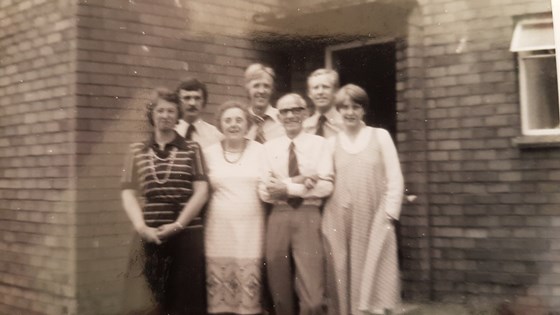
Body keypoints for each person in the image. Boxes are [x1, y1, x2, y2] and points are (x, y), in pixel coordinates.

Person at [121, 88, 209, 315]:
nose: (165, 115)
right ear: (152, 114)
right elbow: (128, 192)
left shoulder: (192, 148)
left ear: (177, 115)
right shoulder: (136, 150)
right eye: (160, 110)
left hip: (187, 234)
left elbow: (201, 191)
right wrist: (141, 227)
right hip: (149, 235)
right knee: (151, 302)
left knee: (186, 301)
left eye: (171, 111)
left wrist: (178, 225)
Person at [322, 84, 404, 315]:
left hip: (374, 216)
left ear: (363, 110)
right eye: (344, 107)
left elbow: (395, 178)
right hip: (340, 219)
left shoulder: (380, 136)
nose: (349, 112)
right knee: (343, 272)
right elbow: (324, 180)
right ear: (338, 110)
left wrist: (389, 214)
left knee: (375, 274)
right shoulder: (331, 144)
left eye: (355, 107)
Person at [259, 93, 334, 315]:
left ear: (305, 113)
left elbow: (326, 186)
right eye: (284, 111)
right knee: (279, 289)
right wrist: (301, 180)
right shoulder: (268, 148)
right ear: (279, 117)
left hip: (308, 214)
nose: (290, 115)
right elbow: (264, 192)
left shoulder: (320, 144)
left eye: (296, 110)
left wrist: (286, 188)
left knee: (312, 295)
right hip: (278, 216)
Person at [203, 101, 267, 314]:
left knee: (249, 295)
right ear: (220, 125)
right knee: (221, 296)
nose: (233, 124)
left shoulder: (261, 151)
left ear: (247, 124)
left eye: (239, 120)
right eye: (228, 120)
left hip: (251, 229)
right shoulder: (208, 153)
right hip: (219, 229)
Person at [175, 77, 222, 148]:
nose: (192, 103)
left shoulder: (216, 136)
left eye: (197, 98)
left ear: (204, 102)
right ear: (178, 102)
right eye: (187, 98)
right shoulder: (171, 132)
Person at [244, 63, 285, 143]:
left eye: (266, 86)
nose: (261, 91)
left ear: (272, 89)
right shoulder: (241, 120)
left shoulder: (282, 119)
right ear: (248, 88)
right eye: (256, 86)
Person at [303, 69, 344, 138]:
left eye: (325, 87)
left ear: (335, 91)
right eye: (316, 88)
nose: (320, 92)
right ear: (309, 93)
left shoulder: (346, 124)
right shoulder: (305, 127)